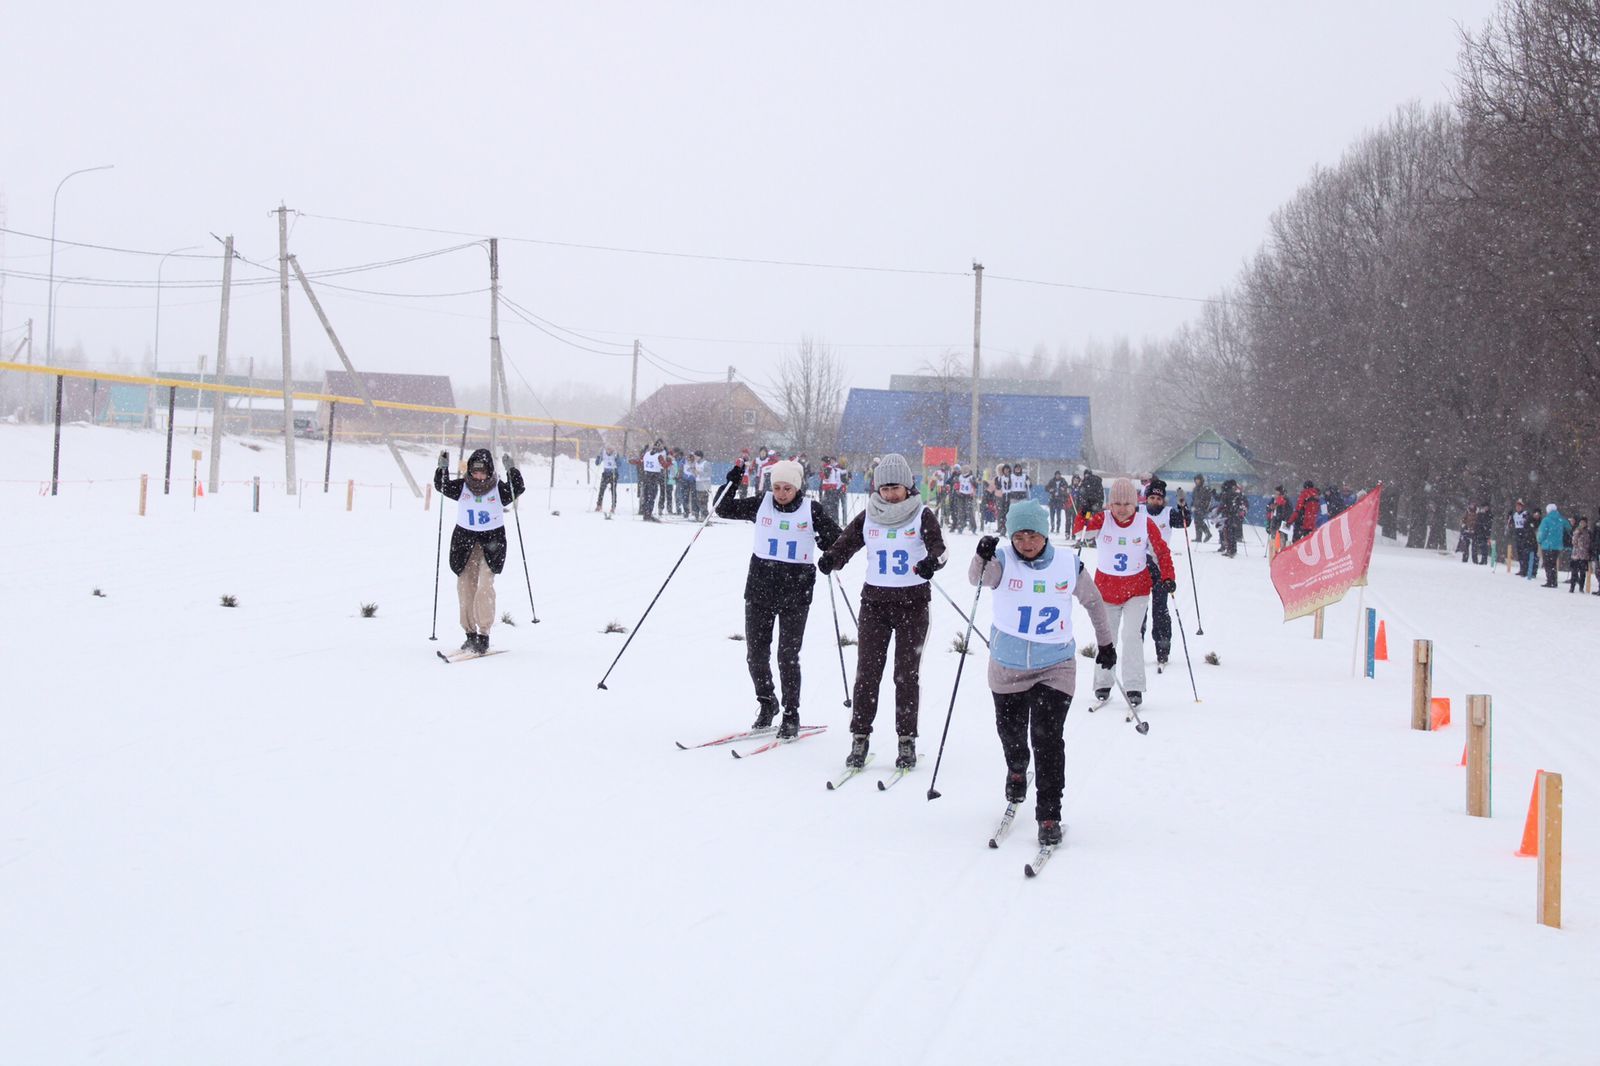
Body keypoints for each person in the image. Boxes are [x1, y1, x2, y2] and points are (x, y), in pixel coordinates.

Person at [969, 500, 1115, 846]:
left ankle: (1049, 813)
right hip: (1008, 666)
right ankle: (1017, 769)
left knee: (1048, 739)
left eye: (1033, 535)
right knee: (1012, 734)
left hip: (1055, 666)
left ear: (1045, 534)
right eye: (1018, 536)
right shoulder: (1003, 560)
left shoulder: (1067, 564)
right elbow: (977, 579)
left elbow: (1093, 602)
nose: (1026, 543)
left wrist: (1106, 645)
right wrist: (982, 554)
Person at [816, 453, 947, 771]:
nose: (890, 494)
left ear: (907, 486)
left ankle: (906, 741)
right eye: (885, 488)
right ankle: (859, 737)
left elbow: (940, 551)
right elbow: (845, 544)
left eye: (896, 488)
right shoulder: (869, 516)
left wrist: (932, 562)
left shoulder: (921, 515)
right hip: (874, 605)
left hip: (913, 606)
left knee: (905, 675)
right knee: (867, 675)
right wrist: (831, 559)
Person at [716, 458, 843, 738]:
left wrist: (830, 555)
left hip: (796, 592)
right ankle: (767, 702)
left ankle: (790, 712)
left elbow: (839, 541)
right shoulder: (761, 503)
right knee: (756, 656)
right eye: (777, 487)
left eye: (787, 488)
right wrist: (733, 480)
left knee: (787, 656)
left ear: (797, 487)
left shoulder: (812, 510)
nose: (781, 493)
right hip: (760, 588)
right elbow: (722, 509)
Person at [1074, 477, 1175, 707]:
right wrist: (1084, 511)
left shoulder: (1144, 523)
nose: (1121, 510)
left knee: (1131, 635)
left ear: (1135, 504)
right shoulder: (1103, 519)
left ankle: (1134, 686)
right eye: (1116, 504)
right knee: (1106, 637)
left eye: (1127, 504)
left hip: (1136, 590)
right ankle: (1103, 682)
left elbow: (1161, 551)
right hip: (1106, 591)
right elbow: (1081, 533)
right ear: (1110, 504)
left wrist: (1168, 576)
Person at [434, 448, 526, 655]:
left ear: (489, 471)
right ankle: (469, 634)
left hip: (491, 544)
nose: (478, 476)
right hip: (464, 543)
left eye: (482, 471)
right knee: (465, 587)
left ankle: (483, 634)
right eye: (474, 471)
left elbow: (517, 488)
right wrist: (442, 468)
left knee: (484, 586)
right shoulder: (462, 487)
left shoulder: (498, 490)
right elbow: (442, 486)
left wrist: (512, 470)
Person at [1138, 478, 1190, 668]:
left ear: (1163, 500)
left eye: (1158, 499)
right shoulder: (1139, 512)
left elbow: (1185, 522)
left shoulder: (1169, 514)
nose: (1155, 501)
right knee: (1139, 608)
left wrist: (1183, 506)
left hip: (1161, 565)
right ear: (1147, 498)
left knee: (1160, 609)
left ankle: (1162, 648)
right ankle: (1136, 648)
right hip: (1140, 565)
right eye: (1152, 497)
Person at [1536, 503, 1571, 588]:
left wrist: (1539, 540)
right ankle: (1554, 581)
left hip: (1547, 545)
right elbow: (1569, 527)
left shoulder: (1546, 520)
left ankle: (1550, 581)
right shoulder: (1561, 519)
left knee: (1548, 564)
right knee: (1553, 563)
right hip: (1558, 546)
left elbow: (1542, 533)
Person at [1567, 516, 1590, 593]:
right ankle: (1572, 587)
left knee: (1583, 573)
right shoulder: (1576, 530)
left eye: (1584, 522)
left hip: (1584, 555)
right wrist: (1577, 535)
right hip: (1576, 555)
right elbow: (1573, 542)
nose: (1582, 524)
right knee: (1574, 572)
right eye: (1581, 522)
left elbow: (1589, 543)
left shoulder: (1588, 532)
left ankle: (1581, 587)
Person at [594, 445, 619, 513]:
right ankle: (599, 505)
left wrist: (616, 458)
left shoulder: (615, 454)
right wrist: (599, 456)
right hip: (605, 474)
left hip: (613, 474)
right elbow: (597, 463)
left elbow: (619, 464)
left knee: (613, 490)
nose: (609, 451)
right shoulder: (603, 453)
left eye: (610, 449)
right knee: (601, 489)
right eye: (608, 449)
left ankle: (613, 506)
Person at [1191, 474, 1214, 543]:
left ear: (1201, 480)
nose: (1197, 481)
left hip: (1202, 508)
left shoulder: (1205, 488)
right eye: (1196, 480)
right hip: (1196, 507)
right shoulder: (1195, 489)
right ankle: (1198, 537)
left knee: (1200, 521)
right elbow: (1194, 498)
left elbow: (1208, 499)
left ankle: (1208, 533)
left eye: (1198, 480)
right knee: (1196, 522)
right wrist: (1192, 505)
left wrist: (1205, 507)